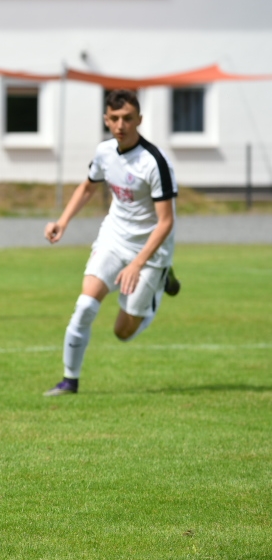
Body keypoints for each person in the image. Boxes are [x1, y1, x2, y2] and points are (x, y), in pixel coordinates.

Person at [43, 89, 180, 397]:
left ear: (139, 120)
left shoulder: (155, 162)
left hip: (151, 251)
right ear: (106, 119)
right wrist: (62, 222)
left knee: (123, 332)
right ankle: (69, 381)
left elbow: (166, 222)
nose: (121, 125)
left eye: (128, 118)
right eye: (115, 118)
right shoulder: (104, 152)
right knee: (85, 306)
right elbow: (88, 187)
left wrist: (137, 264)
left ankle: (159, 284)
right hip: (114, 239)